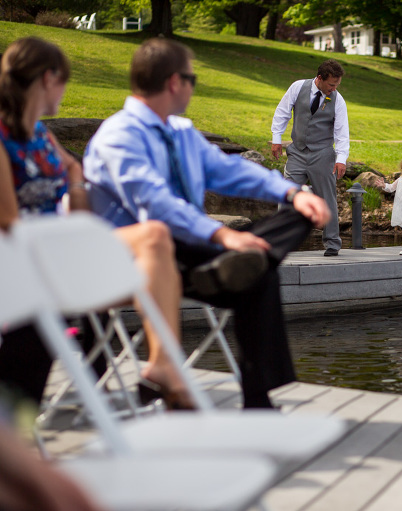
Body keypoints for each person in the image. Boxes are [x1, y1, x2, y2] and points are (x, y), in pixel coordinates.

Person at [83, 38, 330, 409]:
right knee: (260, 273)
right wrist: (222, 235)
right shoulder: (119, 136)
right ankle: (258, 403)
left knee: (297, 217)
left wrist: (293, 194)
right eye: (192, 80)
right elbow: (155, 203)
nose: (193, 88)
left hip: (191, 251)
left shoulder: (180, 132)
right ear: (173, 82)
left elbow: (229, 170)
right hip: (139, 260)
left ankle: (236, 267)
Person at [0, 36, 191, 410]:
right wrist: (75, 235)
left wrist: (76, 193)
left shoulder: (39, 134)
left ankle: (161, 365)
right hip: (20, 266)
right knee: (150, 238)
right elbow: (8, 221)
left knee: (154, 237)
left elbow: (72, 167)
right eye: (65, 80)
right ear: (48, 78)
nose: (65, 90)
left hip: (58, 256)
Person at [271, 59, 349, 257]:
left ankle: (332, 243)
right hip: (297, 151)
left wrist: (341, 158)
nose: (334, 89)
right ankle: (282, 241)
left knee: (327, 197)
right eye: (331, 84)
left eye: (337, 85)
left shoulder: (338, 100)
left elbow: (342, 132)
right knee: (287, 194)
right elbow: (282, 112)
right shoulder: (298, 87)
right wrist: (276, 138)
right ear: (320, 78)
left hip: (323, 154)